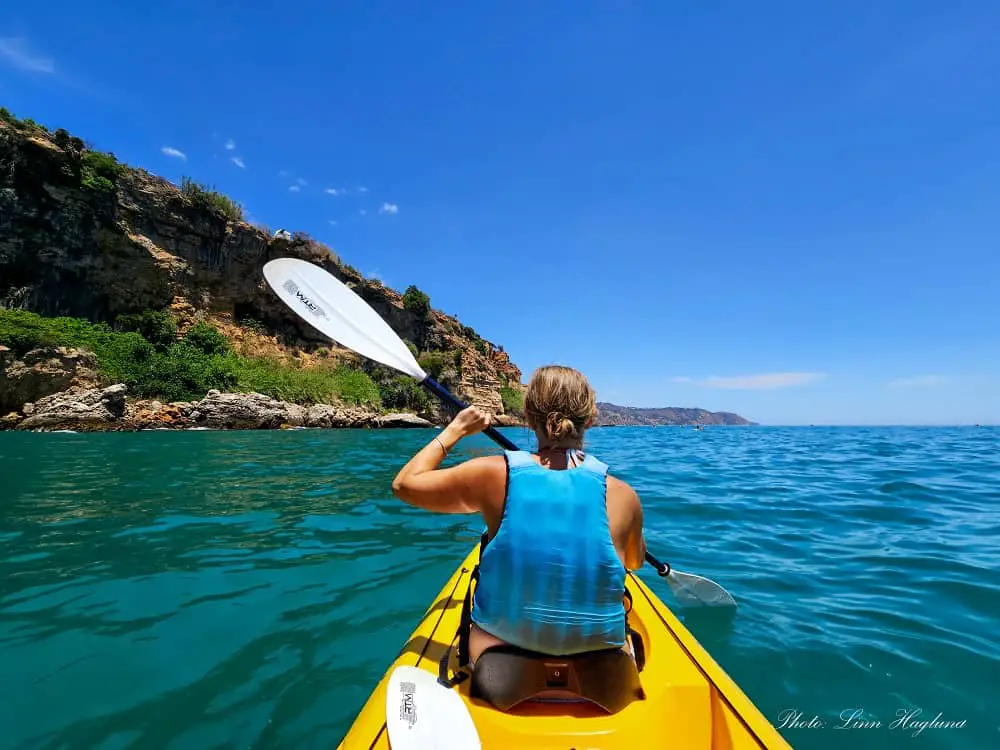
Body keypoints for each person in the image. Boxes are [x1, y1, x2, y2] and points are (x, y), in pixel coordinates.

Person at [391, 365, 647, 668]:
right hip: (602, 673)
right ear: (590, 418)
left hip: (501, 667)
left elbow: (404, 485)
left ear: (527, 416)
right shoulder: (623, 495)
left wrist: (456, 429)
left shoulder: (492, 474)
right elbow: (633, 562)